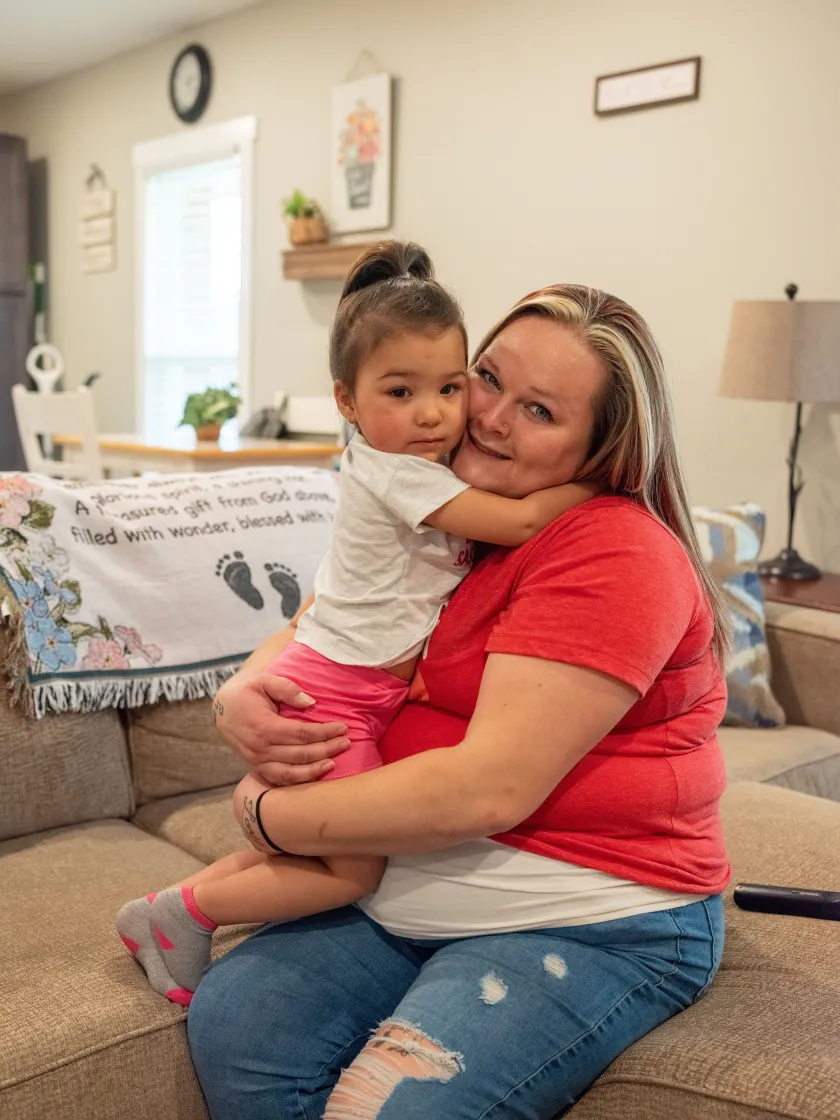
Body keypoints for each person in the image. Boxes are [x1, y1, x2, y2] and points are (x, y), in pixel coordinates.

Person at [188, 268, 732, 1120]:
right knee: (240, 1022)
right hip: (417, 884)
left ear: (600, 453)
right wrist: (242, 691)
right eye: (487, 376)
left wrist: (266, 813)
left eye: (540, 410)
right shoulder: (447, 512)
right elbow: (327, 617)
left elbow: (489, 788)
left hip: (587, 906)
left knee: (392, 1107)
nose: (485, 415)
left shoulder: (612, 550)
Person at [115, 242, 594, 1007]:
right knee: (352, 872)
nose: (433, 413)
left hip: (346, 681)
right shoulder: (394, 470)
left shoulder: (422, 463)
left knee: (323, 855)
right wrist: (603, 484)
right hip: (333, 692)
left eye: (449, 386)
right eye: (400, 392)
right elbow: (525, 518)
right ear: (346, 401)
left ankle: (170, 913)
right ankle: (190, 912)